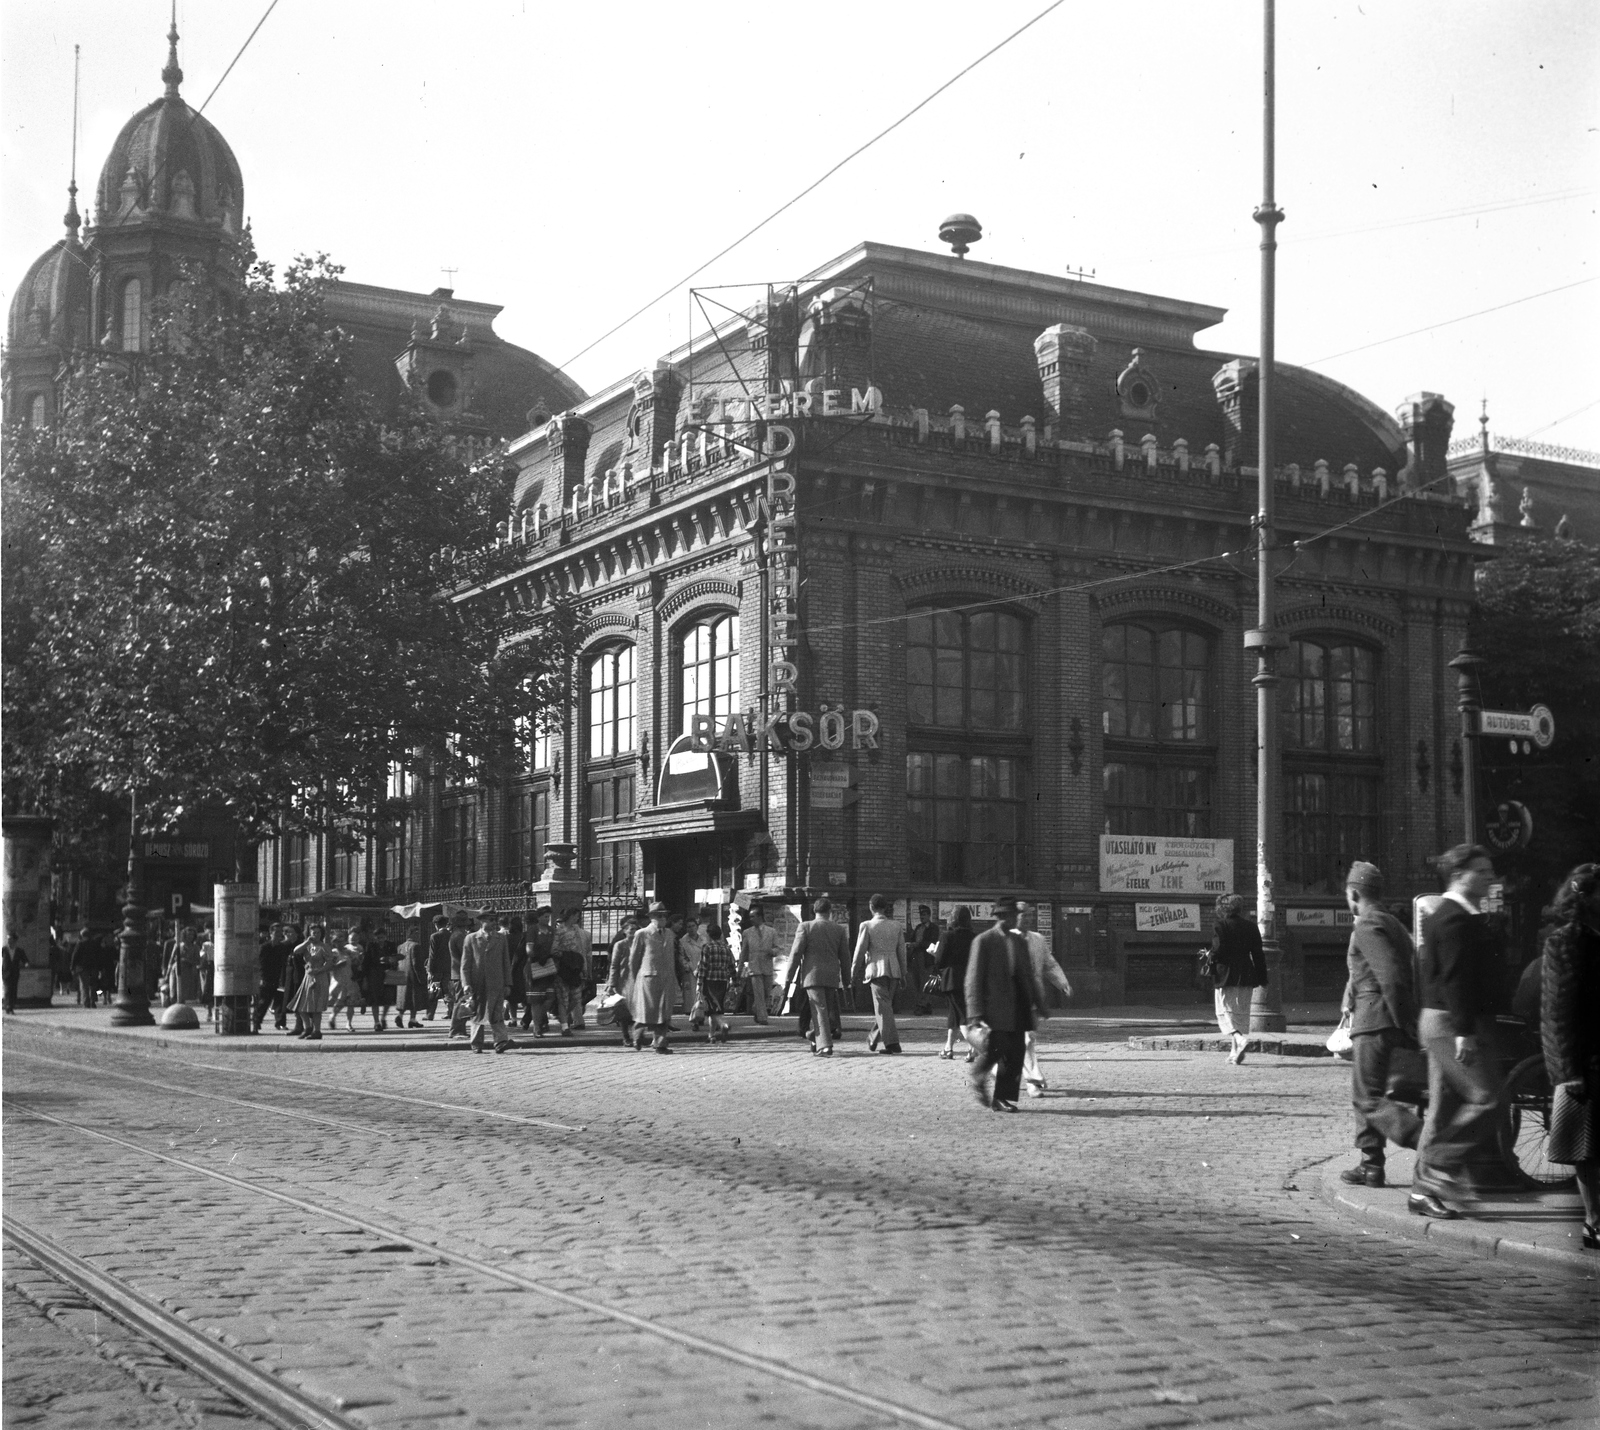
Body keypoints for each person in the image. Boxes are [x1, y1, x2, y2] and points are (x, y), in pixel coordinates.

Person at [1411, 844, 1515, 1219]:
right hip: (1451, 1024)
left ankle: (1424, 1190)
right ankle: (1437, 1168)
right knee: (1488, 1100)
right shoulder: (1454, 918)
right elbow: (1456, 980)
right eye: (1482, 872)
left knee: (1445, 1108)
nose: (1490, 878)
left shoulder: (1455, 914)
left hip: (1445, 1022)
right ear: (1459, 875)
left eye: (1490, 871)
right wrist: (1464, 1033)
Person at [1336, 862, 1422, 1188]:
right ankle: (1370, 1166)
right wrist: (1348, 998)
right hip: (1378, 1017)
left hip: (1375, 1021)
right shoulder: (1393, 924)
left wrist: (1404, 1021)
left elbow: (1391, 976)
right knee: (1366, 1090)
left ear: (1354, 893)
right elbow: (1373, 970)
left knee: (1367, 1098)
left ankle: (1427, 1143)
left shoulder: (1367, 925)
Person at [1540, 862, 1600, 1250]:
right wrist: (1567, 1071)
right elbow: (1557, 1011)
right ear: (1587, 897)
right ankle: (1594, 1221)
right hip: (1587, 1060)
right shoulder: (1566, 942)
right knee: (1587, 1147)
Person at [966, 898, 1047, 1112]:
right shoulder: (984, 941)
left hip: (1019, 1003)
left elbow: (1027, 975)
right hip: (996, 1006)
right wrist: (974, 1012)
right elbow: (973, 978)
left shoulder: (1019, 941)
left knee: (1017, 1051)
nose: (1015, 919)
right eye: (1011, 916)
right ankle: (978, 1076)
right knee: (997, 1047)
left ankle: (1002, 1098)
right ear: (1001, 917)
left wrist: (1039, 1003)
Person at [1019, 901, 1071, 1096]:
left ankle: (1031, 1081)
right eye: (1024, 915)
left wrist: (1062, 982)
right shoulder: (1004, 939)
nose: (1028, 919)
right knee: (1022, 1040)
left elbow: (1049, 964)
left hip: (1033, 998)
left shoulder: (1038, 939)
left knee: (1028, 1039)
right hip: (1011, 999)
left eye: (1030, 915)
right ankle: (1030, 1078)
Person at [1207, 894, 1267, 1065]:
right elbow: (1258, 954)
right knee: (1239, 1013)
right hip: (1247, 974)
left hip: (1226, 975)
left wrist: (1210, 955)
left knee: (1224, 1012)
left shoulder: (1221, 925)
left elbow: (1219, 950)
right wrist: (1262, 977)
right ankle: (1234, 1052)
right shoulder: (1251, 926)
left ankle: (1239, 1039)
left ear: (1222, 908)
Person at [790, 897, 848, 1057]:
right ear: (829, 912)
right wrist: (848, 979)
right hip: (832, 976)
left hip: (812, 975)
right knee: (825, 1009)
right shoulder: (839, 929)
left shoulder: (806, 927)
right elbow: (845, 957)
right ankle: (814, 1038)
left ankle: (825, 1046)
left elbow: (796, 954)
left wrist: (789, 977)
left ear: (814, 911)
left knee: (819, 1010)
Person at [851, 893, 907, 1054]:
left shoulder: (867, 925)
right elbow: (901, 952)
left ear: (871, 907)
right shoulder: (896, 926)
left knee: (883, 1008)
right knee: (885, 1006)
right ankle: (873, 1037)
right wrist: (903, 973)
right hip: (894, 970)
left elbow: (859, 952)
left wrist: (853, 972)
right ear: (885, 908)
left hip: (876, 970)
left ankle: (892, 1044)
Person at [628, 902, 679, 1053]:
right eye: (659, 915)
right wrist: (636, 978)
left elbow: (671, 957)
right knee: (646, 1011)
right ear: (651, 917)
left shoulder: (670, 934)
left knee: (664, 1013)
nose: (663, 918)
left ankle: (660, 1043)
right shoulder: (642, 934)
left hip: (666, 978)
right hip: (648, 978)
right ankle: (637, 1037)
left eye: (664, 915)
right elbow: (634, 959)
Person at [461, 909, 514, 1053]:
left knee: (497, 1012)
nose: (493, 922)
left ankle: (501, 1041)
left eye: (494, 919)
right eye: (490, 920)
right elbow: (465, 964)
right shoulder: (471, 938)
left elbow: (506, 961)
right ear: (481, 920)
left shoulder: (501, 938)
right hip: (478, 983)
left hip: (497, 982)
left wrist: (508, 983)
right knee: (478, 1012)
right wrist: (466, 984)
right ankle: (476, 1043)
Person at [934, 906, 976, 1059]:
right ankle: (948, 1048)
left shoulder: (947, 936)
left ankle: (974, 1048)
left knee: (962, 1016)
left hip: (952, 979)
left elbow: (939, 960)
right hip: (969, 980)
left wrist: (935, 955)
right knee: (954, 1015)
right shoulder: (973, 937)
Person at [287, 923, 334, 1040]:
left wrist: (320, 970)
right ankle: (307, 1027)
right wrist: (307, 942)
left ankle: (317, 1030)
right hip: (308, 977)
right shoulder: (307, 946)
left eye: (318, 932)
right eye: (313, 932)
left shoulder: (324, 947)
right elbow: (296, 950)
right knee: (301, 1005)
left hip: (319, 977)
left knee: (316, 1006)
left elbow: (329, 962)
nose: (316, 935)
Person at [552, 906, 589, 1035]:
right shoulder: (559, 931)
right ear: (569, 916)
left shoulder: (577, 931)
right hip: (563, 968)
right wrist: (566, 956)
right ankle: (564, 1026)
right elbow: (554, 950)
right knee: (563, 998)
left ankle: (562, 1016)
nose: (577, 918)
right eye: (575, 915)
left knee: (577, 998)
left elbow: (581, 951)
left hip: (576, 967)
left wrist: (583, 967)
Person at [602, 915, 639, 1045]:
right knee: (623, 1011)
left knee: (638, 1009)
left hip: (638, 981)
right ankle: (625, 1036)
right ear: (624, 931)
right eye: (630, 929)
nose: (633, 932)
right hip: (623, 981)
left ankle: (637, 1036)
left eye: (635, 929)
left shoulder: (640, 944)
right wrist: (611, 983)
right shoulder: (620, 945)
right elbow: (614, 965)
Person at [738, 904, 778, 1024]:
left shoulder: (772, 932)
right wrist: (739, 968)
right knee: (758, 993)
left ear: (760, 917)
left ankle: (756, 1008)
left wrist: (772, 952)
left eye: (753, 916)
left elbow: (777, 948)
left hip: (767, 966)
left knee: (766, 992)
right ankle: (762, 1017)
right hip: (754, 967)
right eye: (750, 917)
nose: (751, 919)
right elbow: (744, 951)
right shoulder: (747, 932)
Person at [698, 920, 735, 1043]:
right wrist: (735, 980)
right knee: (716, 1007)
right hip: (723, 981)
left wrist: (699, 983)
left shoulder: (707, 947)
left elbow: (703, 966)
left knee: (712, 1009)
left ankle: (723, 1025)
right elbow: (731, 965)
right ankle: (711, 1035)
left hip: (710, 981)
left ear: (709, 935)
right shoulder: (726, 948)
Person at [524, 908, 557, 1035]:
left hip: (548, 966)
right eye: (544, 917)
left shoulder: (551, 931)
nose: (547, 919)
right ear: (538, 918)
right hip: (535, 965)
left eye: (548, 917)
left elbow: (555, 946)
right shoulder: (533, 930)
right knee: (536, 1000)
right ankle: (537, 1028)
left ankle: (537, 1019)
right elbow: (529, 949)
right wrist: (538, 955)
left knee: (549, 997)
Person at [254, 923, 291, 1033]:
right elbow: (260, 964)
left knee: (280, 1002)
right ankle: (256, 1022)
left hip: (279, 978)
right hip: (267, 978)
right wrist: (261, 978)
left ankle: (280, 1023)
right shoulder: (265, 947)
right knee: (263, 1002)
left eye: (281, 932)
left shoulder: (282, 947)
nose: (279, 935)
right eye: (277, 932)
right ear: (271, 933)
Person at [908, 904, 940, 1015]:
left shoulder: (933, 928)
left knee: (924, 983)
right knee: (917, 981)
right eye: (921, 915)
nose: (922, 917)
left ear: (929, 915)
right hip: (916, 956)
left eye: (924, 914)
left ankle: (921, 1005)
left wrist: (918, 944)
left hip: (926, 958)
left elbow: (932, 942)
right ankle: (926, 1005)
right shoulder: (918, 927)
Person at [395, 922, 425, 1030]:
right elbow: (416, 963)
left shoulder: (400, 946)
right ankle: (412, 1019)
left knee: (403, 999)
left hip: (402, 975)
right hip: (412, 976)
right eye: (417, 933)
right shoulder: (415, 946)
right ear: (412, 934)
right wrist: (421, 977)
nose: (418, 935)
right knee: (414, 999)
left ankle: (400, 1016)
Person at [447, 915, 472, 1040]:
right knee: (461, 1001)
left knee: (462, 1001)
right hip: (460, 973)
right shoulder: (460, 936)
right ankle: (456, 1030)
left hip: (457, 972)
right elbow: (466, 954)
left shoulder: (456, 935)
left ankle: (460, 1029)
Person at [678, 914, 706, 1026]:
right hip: (689, 972)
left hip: (702, 970)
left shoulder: (703, 939)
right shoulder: (683, 941)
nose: (691, 928)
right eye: (688, 926)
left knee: (702, 995)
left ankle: (702, 1015)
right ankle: (694, 1019)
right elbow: (681, 957)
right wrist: (688, 966)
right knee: (691, 997)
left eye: (693, 926)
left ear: (697, 926)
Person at [426, 914, 452, 1024]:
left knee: (433, 990)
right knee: (447, 990)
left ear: (436, 924)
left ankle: (430, 1014)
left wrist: (429, 970)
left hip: (436, 968)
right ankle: (450, 1011)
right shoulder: (451, 935)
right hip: (449, 967)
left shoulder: (434, 936)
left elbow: (432, 955)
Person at [280, 924, 305, 1036]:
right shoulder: (284, 946)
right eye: (287, 932)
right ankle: (298, 1025)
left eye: (291, 932)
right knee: (292, 1001)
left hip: (299, 975)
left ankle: (300, 1026)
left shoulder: (301, 945)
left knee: (299, 1001)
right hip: (289, 976)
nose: (288, 934)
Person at [71, 927, 100, 1007]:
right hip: (93, 967)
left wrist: (72, 967)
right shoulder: (95, 944)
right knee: (93, 985)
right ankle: (93, 1001)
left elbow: (75, 956)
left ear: (82, 935)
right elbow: (99, 956)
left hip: (83, 967)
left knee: (84, 985)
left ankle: (86, 1002)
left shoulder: (80, 944)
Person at [2, 935, 24, 1013]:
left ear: (15, 941)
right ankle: (8, 1006)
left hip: (15, 973)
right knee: (7, 990)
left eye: (10, 939)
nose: (8, 941)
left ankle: (10, 1006)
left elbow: (25, 959)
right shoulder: (4, 949)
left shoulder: (19, 951)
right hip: (6, 973)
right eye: (8, 939)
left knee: (13, 990)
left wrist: (26, 964)